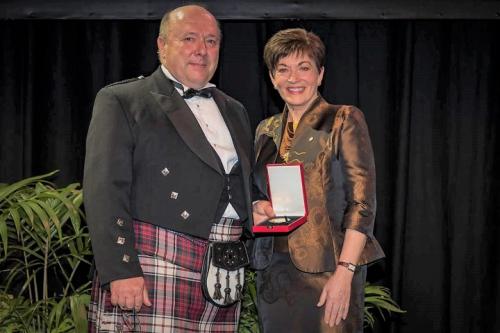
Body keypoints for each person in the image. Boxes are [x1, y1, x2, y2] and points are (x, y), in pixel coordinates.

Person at [84, 5, 260, 332]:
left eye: (211, 41)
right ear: (161, 46)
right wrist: (121, 270)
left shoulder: (235, 110)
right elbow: (104, 191)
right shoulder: (123, 99)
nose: (201, 50)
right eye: (189, 38)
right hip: (156, 259)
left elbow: (236, 184)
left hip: (225, 268)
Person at [251, 28, 385, 332]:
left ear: (320, 74)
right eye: (282, 69)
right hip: (273, 273)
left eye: (304, 67)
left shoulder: (343, 119)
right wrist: (258, 205)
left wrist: (345, 272)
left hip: (329, 270)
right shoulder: (265, 130)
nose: (293, 78)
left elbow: (362, 204)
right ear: (272, 78)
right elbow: (256, 191)